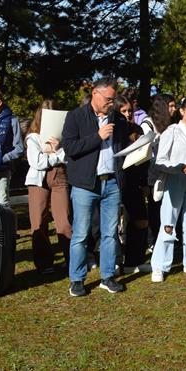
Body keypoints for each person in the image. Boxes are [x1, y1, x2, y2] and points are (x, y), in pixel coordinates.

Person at [62, 78, 130, 297]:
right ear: (95, 94)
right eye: (108, 99)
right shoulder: (76, 116)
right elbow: (70, 148)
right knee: (81, 234)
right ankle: (77, 280)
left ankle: (108, 276)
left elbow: (121, 147)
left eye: (113, 100)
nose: (111, 103)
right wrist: (97, 137)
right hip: (85, 184)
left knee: (110, 233)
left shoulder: (118, 119)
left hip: (112, 183)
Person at [151, 97, 186, 282]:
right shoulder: (170, 132)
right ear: (182, 112)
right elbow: (160, 160)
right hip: (174, 181)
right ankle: (159, 265)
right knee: (168, 222)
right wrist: (178, 167)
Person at [25, 99, 72, 273]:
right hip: (38, 181)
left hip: (60, 176)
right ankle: (44, 263)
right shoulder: (33, 137)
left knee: (64, 220)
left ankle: (71, 260)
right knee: (38, 221)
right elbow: (37, 162)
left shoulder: (65, 136)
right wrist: (57, 155)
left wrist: (58, 151)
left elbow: (68, 156)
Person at [114, 95, 151, 274]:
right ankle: (114, 261)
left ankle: (133, 261)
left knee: (141, 221)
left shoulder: (137, 129)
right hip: (116, 180)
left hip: (135, 180)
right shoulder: (113, 130)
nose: (128, 114)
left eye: (130, 111)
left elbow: (144, 159)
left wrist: (145, 182)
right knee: (111, 224)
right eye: (124, 111)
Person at [142, 93, 176, 247]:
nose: (174, 109)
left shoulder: (171, 124)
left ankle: (167, 238)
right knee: (154, 207)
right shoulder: (148, 124)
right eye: (171, 106)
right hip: (151, 172)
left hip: (167, 171)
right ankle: (152, 240)